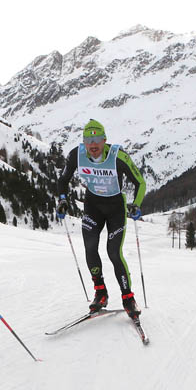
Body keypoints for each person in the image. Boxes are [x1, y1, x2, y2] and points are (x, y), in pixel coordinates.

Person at [55, 119, 147, 320]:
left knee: (114, 252)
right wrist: (62, 200)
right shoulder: (76, 155)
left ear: (105, 140)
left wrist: (136, 204)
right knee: (90, 247)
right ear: (84, 142)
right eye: (88, 140)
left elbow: (140, 181)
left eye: (97, 139)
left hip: (116, 208)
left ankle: (128, 298)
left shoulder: (118, 156)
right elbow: (63, 179)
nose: (93, 144)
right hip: (92, 206)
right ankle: (101, 292)